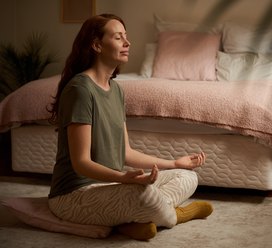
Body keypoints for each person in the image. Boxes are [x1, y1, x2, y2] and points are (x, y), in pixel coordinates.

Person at [47, 13, 213, 241]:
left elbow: (126, 152)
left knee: (187, 177)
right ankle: (176, 215)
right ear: (96, 45)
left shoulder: (116, 90)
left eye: (126, 36)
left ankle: (131, 222)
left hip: (112, 186)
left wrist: (174, 163)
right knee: (141, 195)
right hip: (73, 195)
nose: (127, 43)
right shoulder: (80, 90)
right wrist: (124, 178)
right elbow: (81, 163)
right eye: (118, 37)